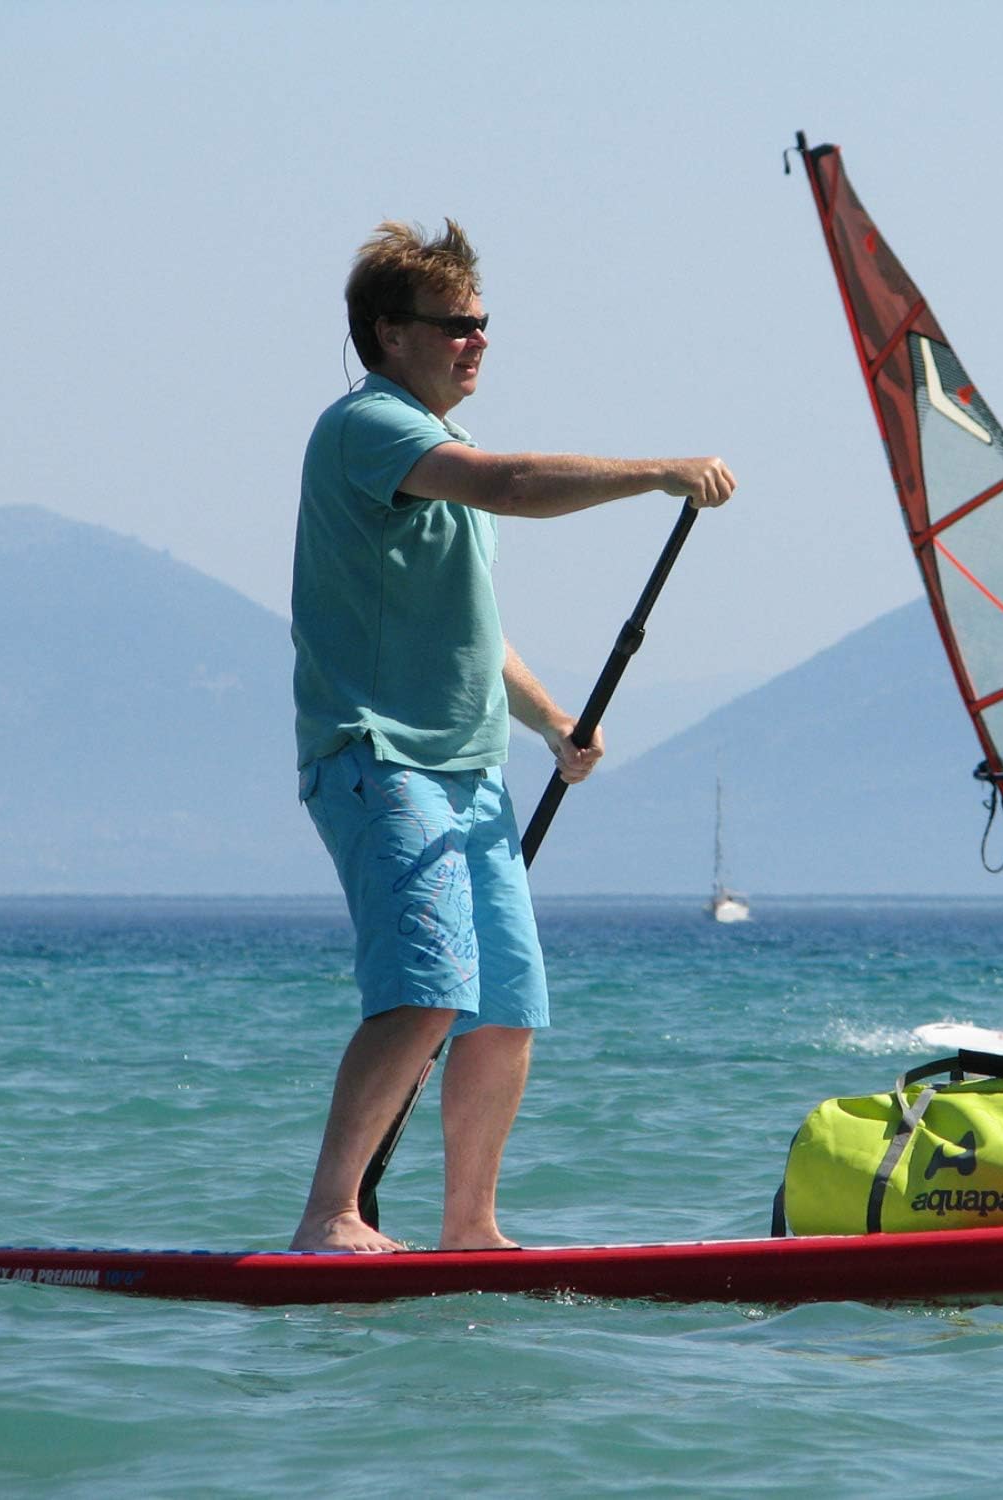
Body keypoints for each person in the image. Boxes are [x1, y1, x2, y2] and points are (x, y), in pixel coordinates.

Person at [290, 220, 736, 1253]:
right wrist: (661, 471)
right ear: (389, 333)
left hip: (470, 769)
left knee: (503, 1005)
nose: (478, 342)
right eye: (456, 326)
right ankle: (330, 1216)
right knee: (425, 988)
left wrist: (556, 725)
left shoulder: (436, 458)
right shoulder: (371, 429)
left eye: (485, 325)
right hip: (379, 759)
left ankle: (469, 1228)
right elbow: (513, 485)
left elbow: (476, 636)